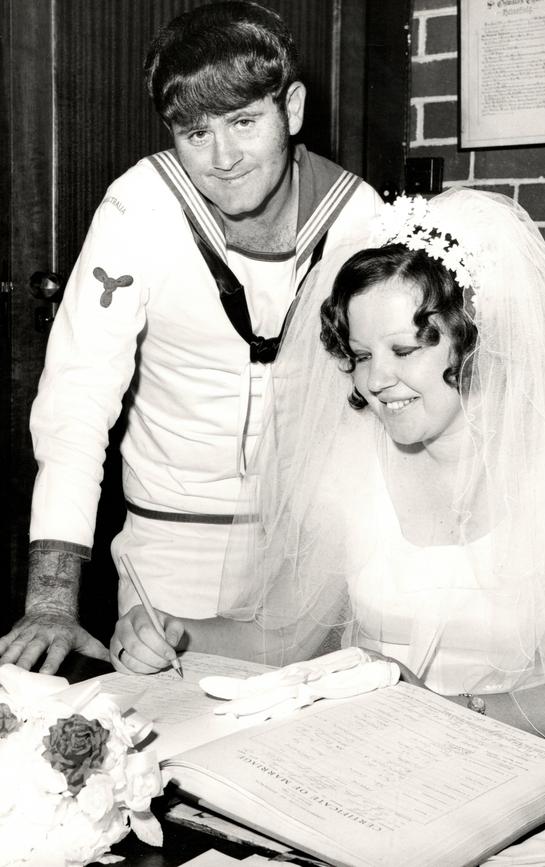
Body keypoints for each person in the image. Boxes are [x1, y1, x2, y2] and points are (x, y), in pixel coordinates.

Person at [111, 188, 545, 790]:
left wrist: (433, 707)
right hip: (371, 775)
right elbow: (286, 637)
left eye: (403, 350)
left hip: (529, 785)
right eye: (361, 354)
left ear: (474, 337)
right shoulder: (347, 465)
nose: (375, 380)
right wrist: (178, 630)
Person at [0, 0, 382, 674]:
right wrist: (52, 597)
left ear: (291, 109)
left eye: (243, 122)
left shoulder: (358, 219)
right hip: (172, 548)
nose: (223, 158)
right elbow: (78, 397)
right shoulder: (139, 207)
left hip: (315, 552)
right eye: (196, 133)